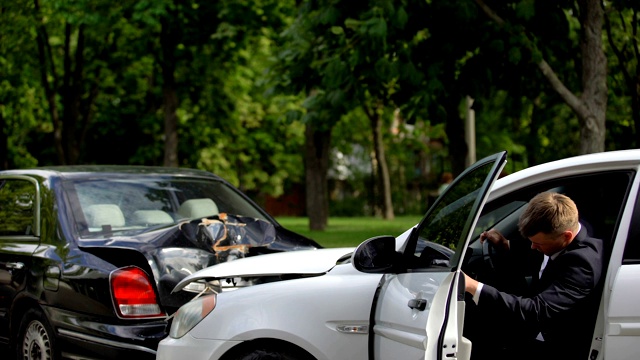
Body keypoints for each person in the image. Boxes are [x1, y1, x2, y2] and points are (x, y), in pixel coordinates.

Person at [462, 192, 604, 360]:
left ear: (566, 236)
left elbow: (536, 312)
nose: (532, 247)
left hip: (555, 345)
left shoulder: (582, 264)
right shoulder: (567, 231)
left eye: (538, 243)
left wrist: (472, 286)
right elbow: (542, 254)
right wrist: (506, 245)